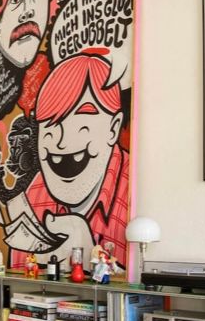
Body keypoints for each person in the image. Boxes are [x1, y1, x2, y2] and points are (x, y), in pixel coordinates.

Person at [19, 52, 130, 268]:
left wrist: (90, 259)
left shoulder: (130, 194)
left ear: (113, 127)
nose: (60, 141)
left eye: (82, 114)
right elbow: (19, 271)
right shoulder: (35, 195)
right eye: (49, 121)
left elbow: (131, 278)